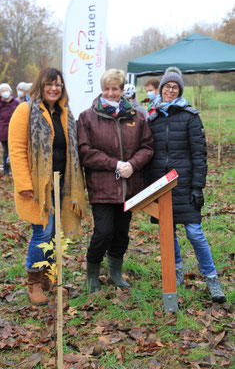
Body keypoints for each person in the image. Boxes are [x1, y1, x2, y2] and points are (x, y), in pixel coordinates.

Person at [146, 67, 226, 303]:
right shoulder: (154, 118)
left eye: (174, 87)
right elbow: (149, 153)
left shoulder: (191, 117)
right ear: (161, 90)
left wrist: (197, 187)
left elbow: (200, 154)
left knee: (194, 232)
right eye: (166, 87)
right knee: (168, 233)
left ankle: (212, 279)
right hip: (161, 186)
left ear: (180, 90)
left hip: (185, 184)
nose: (170, 90)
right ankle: (176, 273)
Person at [8, 67, 87, 305]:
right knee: (42, 230)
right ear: (40, 86)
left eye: (58, 85)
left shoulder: (65, 112)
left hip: (62, 182)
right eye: (49, 84)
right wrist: (24, 183)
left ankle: (47, 275)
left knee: (54, 232)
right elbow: (17, 150)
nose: (54, 88)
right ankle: (34, 281)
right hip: (38, 186)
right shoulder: (26, 110)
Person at [77, 68, 154, 293]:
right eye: (107, 89)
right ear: (102, 90)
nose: (111, 93)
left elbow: (148, 147)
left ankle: (115, 273)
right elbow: (84, 151)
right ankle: (92, 274)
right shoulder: (87, 117)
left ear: (122, 90)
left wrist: (133, 164)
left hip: (129, 186)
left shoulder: (136, 116)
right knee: (103, 231)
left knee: (121, 232)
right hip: (101, 186)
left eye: (115, 89)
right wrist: (115, 164)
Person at [0, 83, 19, 175]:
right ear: (0, 93)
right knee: (6, 151)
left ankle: (15, 169)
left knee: (15, 151)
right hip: (3, 130)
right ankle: (6, 169)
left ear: (10, 91)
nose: (5, 92)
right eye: (3, 91)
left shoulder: (16, 103)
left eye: (6, 90)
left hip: (15, 130)